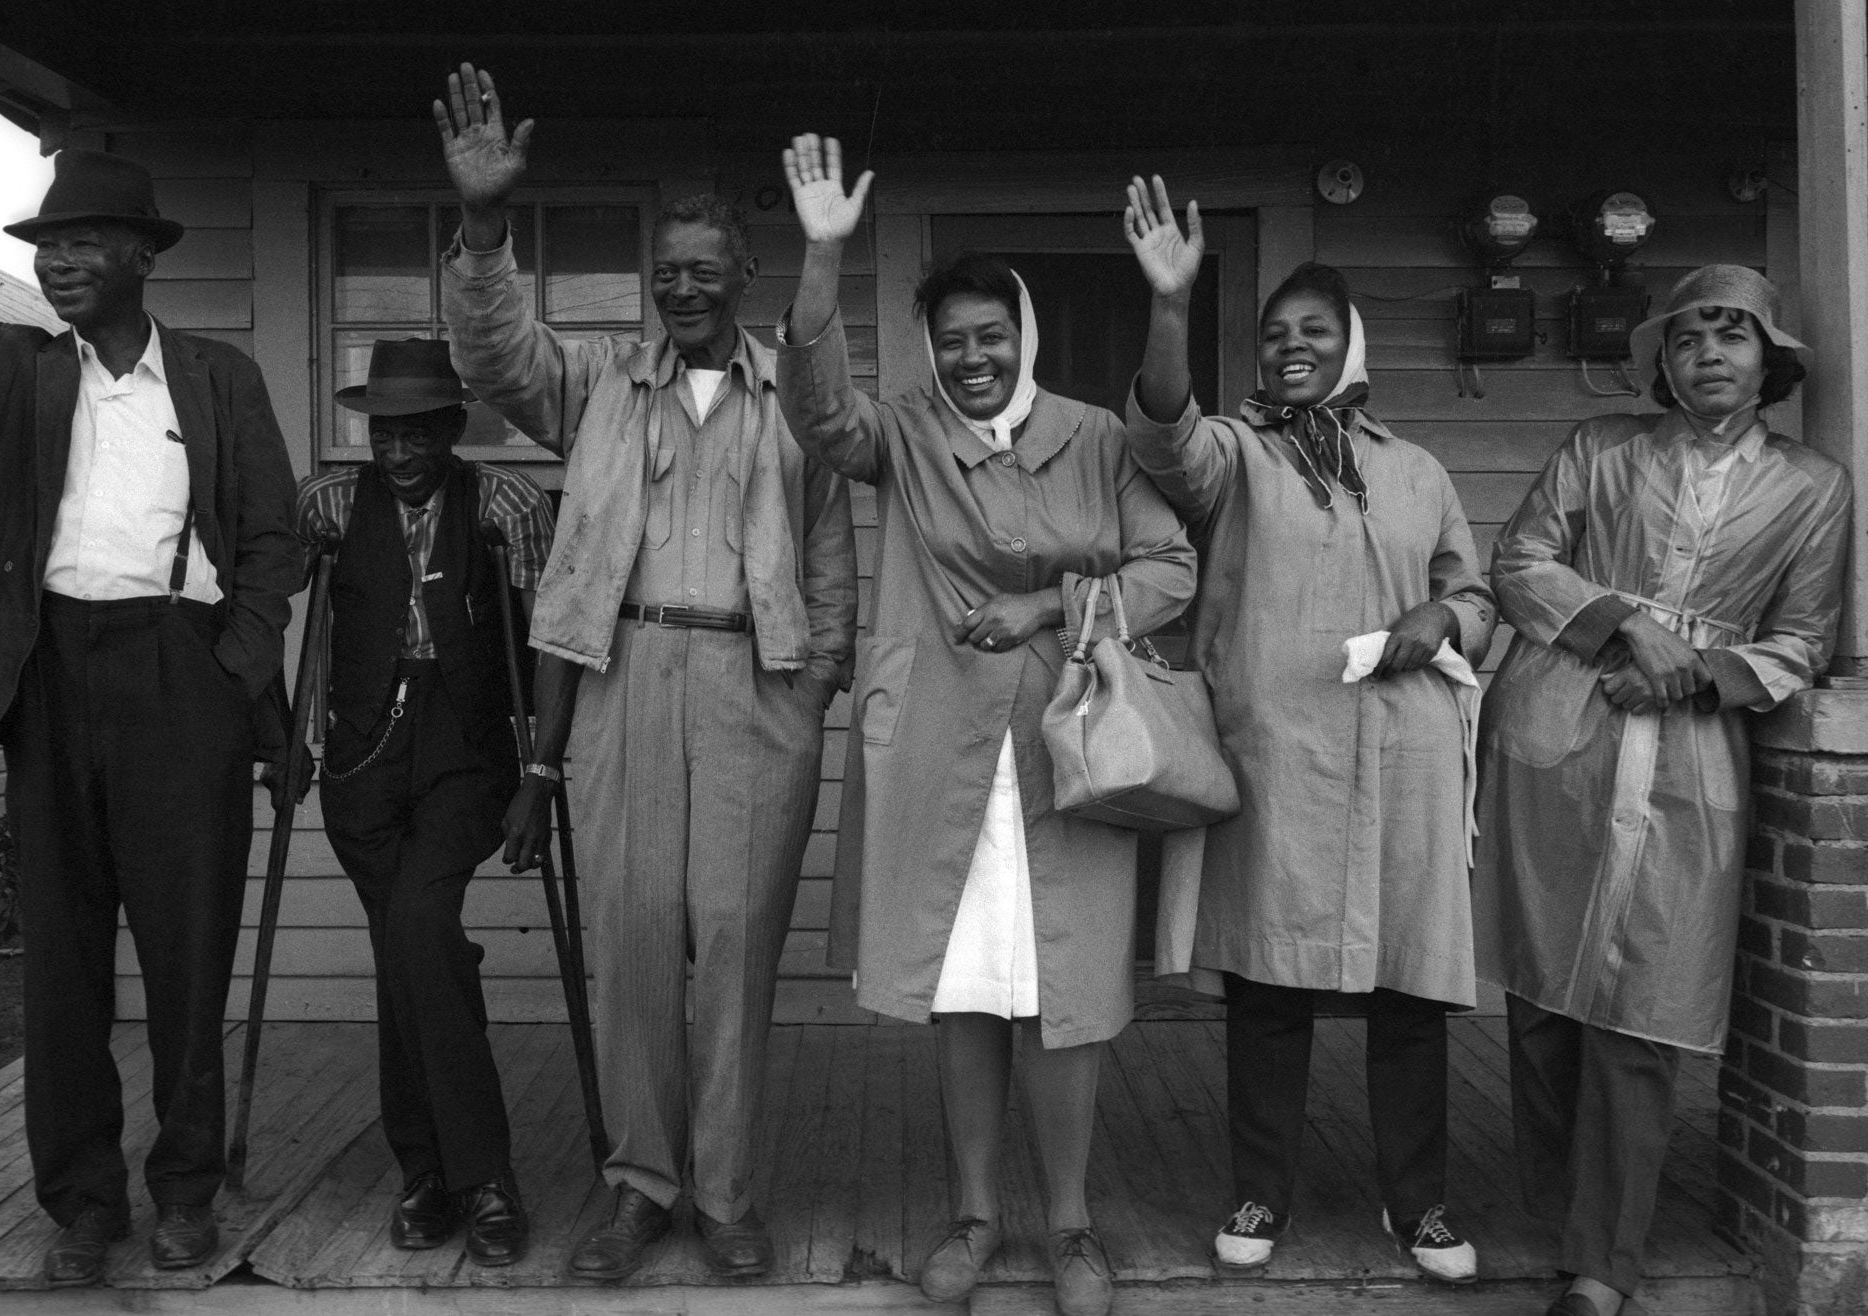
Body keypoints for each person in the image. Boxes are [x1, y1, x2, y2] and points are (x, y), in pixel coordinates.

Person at [0, 150, 301, 1282]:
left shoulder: (217, 377)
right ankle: (86, 1204)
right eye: (45, 244)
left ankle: (183, 1192)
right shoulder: (13, 368)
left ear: (142, 257)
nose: (57, 260)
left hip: (183, 674)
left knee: (188, 954)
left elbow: (272, 536)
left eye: (83, 241)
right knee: (65, 960)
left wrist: (234, 663)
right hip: (52, 674)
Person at [431, 66, 857, 1281]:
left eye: (701, 268)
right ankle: (638, 1187)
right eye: (663, 269)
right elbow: (495, 353)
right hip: (622, 683)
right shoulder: (602, 385)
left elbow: (830, 559)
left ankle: (723, 1193)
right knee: (627, 943)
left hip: (753, 690)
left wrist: (813, 685)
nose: (680, 286)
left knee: (731, 944)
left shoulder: (798, 400)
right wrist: (481, 226)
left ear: (743, 279)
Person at [777, 137, 1199, 1316]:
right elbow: (816, 409)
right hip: (933, 747)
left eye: (990, 335)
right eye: (951, 340)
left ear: (1024, 334)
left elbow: (1169, 570)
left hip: (1067, 747)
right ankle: (972, 1212)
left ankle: (1069, 1226)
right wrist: (820, 253)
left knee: (1063, 988)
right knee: (962, 987)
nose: (972, 357)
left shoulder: (1098, 437)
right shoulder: (902, 434)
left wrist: (1052, 604)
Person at [1120, 181, 1491, 1286]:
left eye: (1312, 333)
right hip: (1278, 751)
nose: (1291, 348)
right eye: (1277, 333)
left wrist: (1443, 615)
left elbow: (1470, 591)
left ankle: (1416, 1202)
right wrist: (1169, 302)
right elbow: (1159, 435)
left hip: (1403, 753)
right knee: (1270, 989)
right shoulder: (1235, 455)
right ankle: (1259, 1188)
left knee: (1408, 990)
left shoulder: (1415, 469)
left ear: (1350, 346)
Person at [1473, 265, 1850, 1316]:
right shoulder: (1600, 451)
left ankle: (1602, 1266)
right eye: (1686, 338)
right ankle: (1559, 1224)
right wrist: (1622, 623)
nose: (1707, 353)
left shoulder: (1812, 486)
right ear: (1662, 362)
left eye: (1730, 335)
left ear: (1767, 357)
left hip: (1690, 757)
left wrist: (1702, 669)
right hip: (1559, 733)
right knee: (1544, 997)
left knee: (1646, 1009)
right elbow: (1518, 561)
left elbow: (1804, 638)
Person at [293, 338, 554, 1265]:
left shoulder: (507, 504)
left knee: (416, 926)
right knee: (414, 948)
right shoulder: (325, 506)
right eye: (383, 435)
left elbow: (551, 641)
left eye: (417, 435)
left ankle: (474, 1174)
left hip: (465, 748)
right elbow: (251, 590)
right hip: (362, 755)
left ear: (453, 428)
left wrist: (541, 772)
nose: (398, 454)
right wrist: (270, 731)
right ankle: (434, 1175)